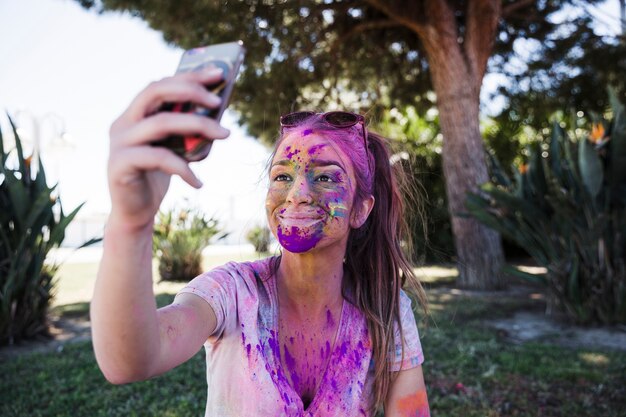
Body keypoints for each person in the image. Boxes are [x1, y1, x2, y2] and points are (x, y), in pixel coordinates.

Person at [91, 66, 430, 417]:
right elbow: (129, 361)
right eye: (282, 175)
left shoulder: (386, 308)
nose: (296, 195)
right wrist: (131, 223)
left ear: (361, 209)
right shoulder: (231, 293)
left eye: (327, 177)